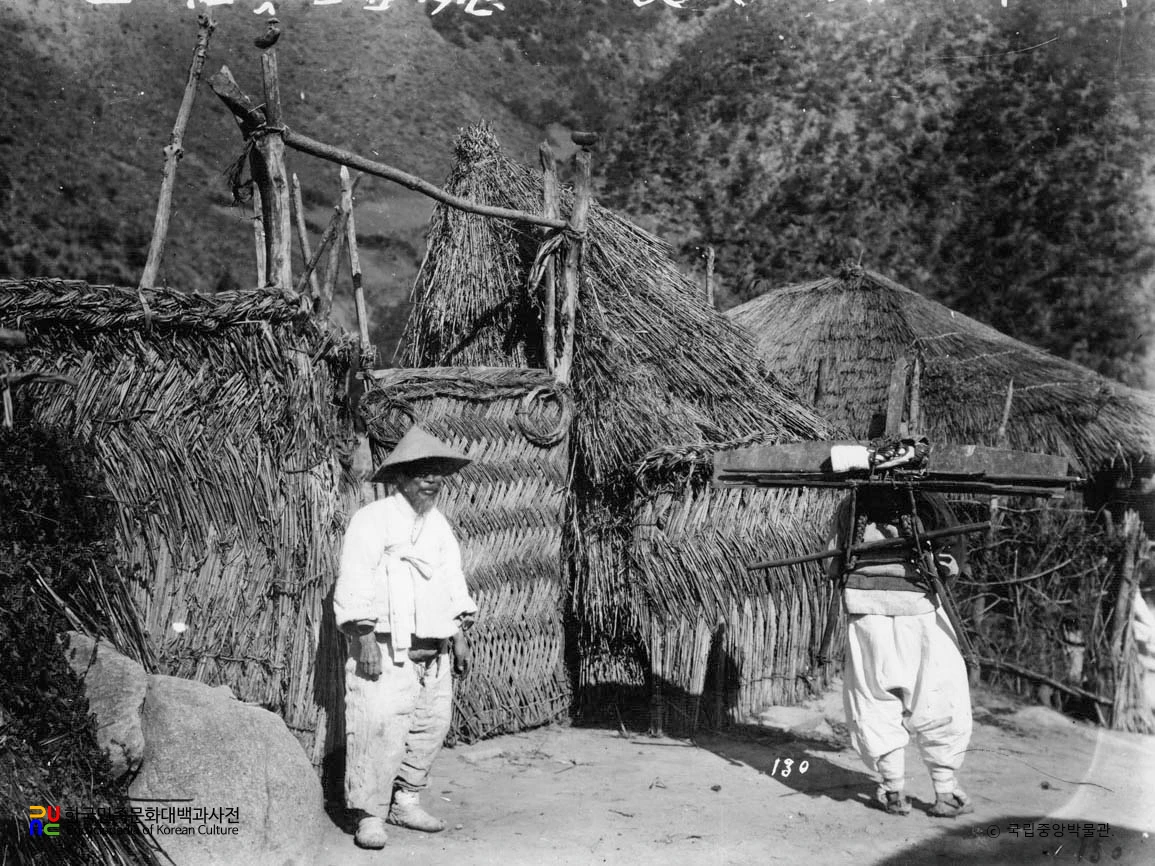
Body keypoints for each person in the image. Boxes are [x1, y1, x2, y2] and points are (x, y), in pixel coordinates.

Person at [333, 425, 478, 850]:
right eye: (421, 472)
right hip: (385, 647)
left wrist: (459, 637)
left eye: (437, 473)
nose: (431, 481)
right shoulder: (371, 520)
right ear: (400, 477)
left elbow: (454, 582)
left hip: (434, 652)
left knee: (429, 727)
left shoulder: (438, 526)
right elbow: (355, 580)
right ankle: (369, 814)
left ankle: (406, 801)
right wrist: (363, 639)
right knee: (376, 726)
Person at [827, 486, 974, 818]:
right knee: (940, 695)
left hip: (866, 612)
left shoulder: (852, 505)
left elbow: (834, 563)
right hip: (920, 609)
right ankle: (946, 792)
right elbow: (950, 560)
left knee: (874, 698)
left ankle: (894, 791)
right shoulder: (926, 500)